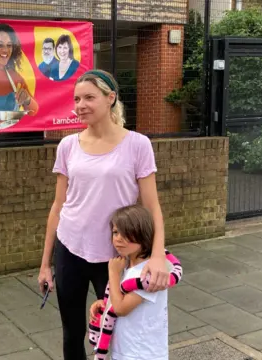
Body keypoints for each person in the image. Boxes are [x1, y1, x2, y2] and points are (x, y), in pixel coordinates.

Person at [37, 69, 168, 360]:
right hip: (70, 249)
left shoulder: (137, 144)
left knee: (119, 330)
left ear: (110, 98)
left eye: (88, 97)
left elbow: (152, 206)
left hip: (115, 256)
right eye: (76, 99)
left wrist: (157, 256)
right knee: (72, 332)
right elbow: (58, 206)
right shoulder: (68, 145)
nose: (80, 105)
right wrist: (46, 263)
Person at [88, 204, 169, 360]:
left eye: (126, 233)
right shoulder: (127, 266)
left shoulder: (147, 273)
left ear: (143, 235)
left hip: (142, 354)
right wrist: (103, 304)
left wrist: (113, 273)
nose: (118, 238)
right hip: (128, 349)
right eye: (115, 232)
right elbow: (120, 299)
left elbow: (120, 309)